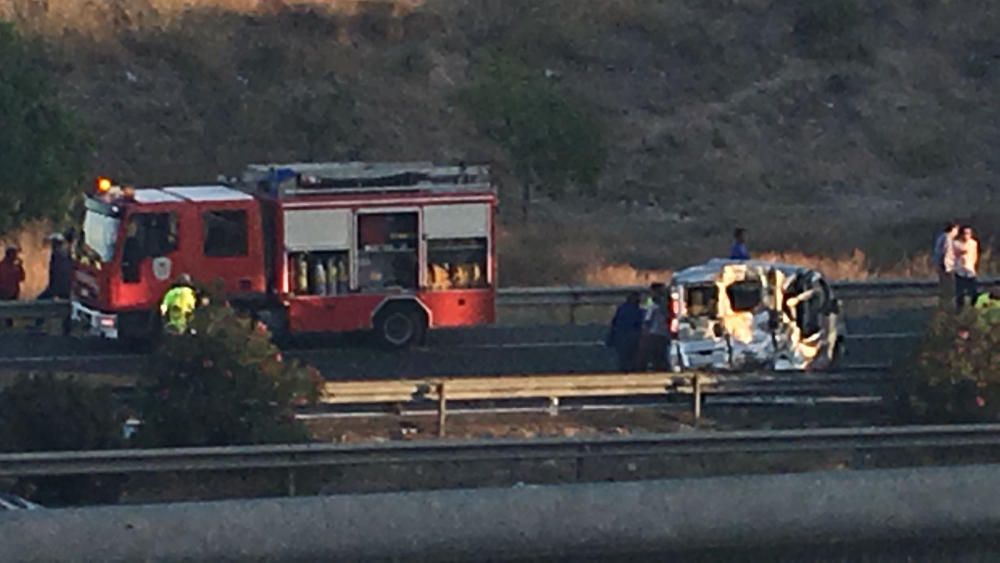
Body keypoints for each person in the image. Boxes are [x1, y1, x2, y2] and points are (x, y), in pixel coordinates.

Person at [606, 291, 643, 372]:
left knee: (626, 356)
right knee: (629, 355)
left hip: (625, 335)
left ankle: (626, 369)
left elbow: (614, 323)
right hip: (628, 335)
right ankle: (628, 369)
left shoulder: (623, 309)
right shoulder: (636, 310)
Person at [637, 283, 670, 371]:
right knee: (655, 353)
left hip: (663, 332)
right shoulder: (650, 302)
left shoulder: (666, 302)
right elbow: (646, 317)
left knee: (661, 353)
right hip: (655, 332)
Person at [37, 234, 72, 300]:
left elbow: (58, 273)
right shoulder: (61, 255)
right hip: (59, 286)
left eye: (54, 243)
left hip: (59, 286)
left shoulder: (59, 256)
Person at [953, 225, 979, 310]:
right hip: (960, 271)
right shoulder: (956, 243)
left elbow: (975, 255)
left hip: (970, 271)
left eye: (969, 233)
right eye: (965, 233)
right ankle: (959, 311)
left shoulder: (973, 243)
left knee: (973, 292)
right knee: (960, 293)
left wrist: (973, 265)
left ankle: (973, 309)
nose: (967, 235)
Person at [933, 222, 958, 305]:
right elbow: (946, 252)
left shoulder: (941, 237)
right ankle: (947, 303)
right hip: (946, 266)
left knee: (944, 285)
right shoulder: (947, 238)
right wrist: (946, 265)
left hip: (942, 265)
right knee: (948, 286)